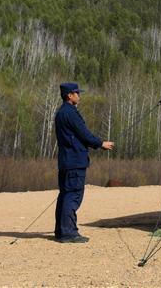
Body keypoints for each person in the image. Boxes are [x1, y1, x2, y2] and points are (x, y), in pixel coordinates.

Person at [54, 82, 114, 243]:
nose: (79, 96)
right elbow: (84, 134)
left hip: (65, 161)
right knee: (73, 196)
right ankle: (69, 233)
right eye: (77, 93)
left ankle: (60, 231)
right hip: (75, 161)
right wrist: (101, 143)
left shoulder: (60, 113)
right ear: (70, 95)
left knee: (65, 195)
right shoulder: (71, 113)